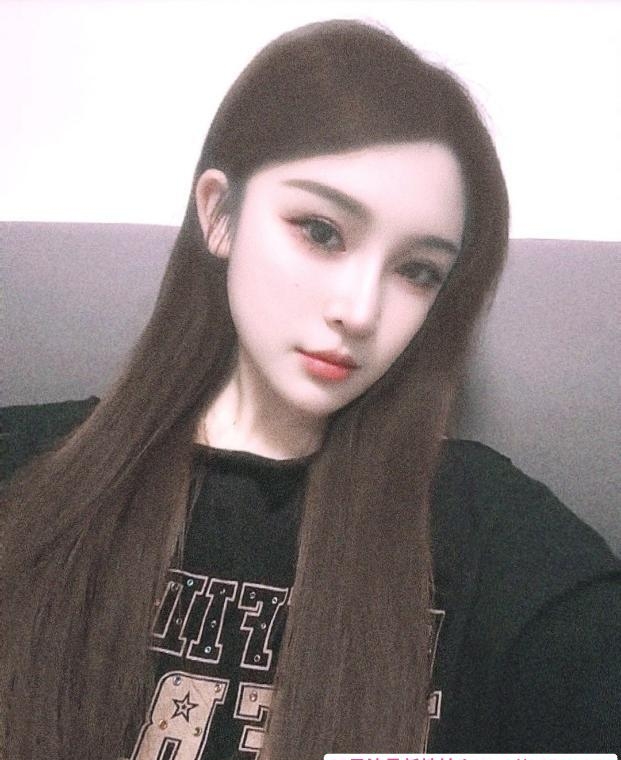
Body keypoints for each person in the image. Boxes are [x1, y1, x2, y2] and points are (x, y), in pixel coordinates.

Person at [0, 18, 619, 760]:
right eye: (321, 231)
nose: (359, 311)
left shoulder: (489, 536)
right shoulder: (23, 470)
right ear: (219, 216)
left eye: (417, 270)